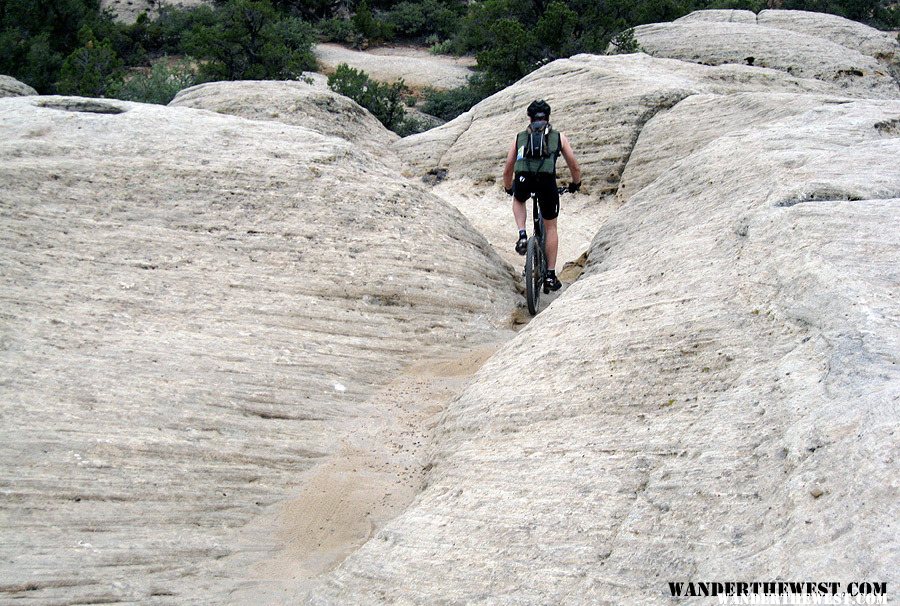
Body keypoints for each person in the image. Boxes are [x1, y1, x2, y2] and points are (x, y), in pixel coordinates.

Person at [502, 99, 581, 292]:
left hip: (523, 179)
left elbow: (508, 168)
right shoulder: (559, 137)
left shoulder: (519, 137)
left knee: (519, 199)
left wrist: (508, 186)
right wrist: (575, 183)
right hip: (546, 182)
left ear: (529, 118)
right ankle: (550, 276)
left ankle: (522, 235)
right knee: (551, 226)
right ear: (548, 117)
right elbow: (574, 165)